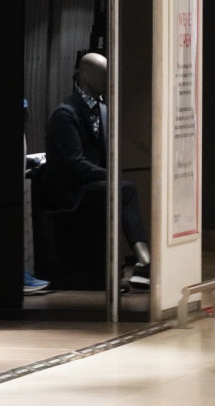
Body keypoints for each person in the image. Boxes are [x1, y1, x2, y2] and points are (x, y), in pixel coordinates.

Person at [40, 53, 151, 289]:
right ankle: (144, 259)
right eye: (103, 74)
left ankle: (135, 264)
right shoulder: (65, 114)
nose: (108, 79)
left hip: (90, 183)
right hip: (71, 189)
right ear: (86, 76)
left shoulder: (102, 109)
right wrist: (108, 175)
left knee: (120, 191)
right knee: (124, 190)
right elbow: (74, 163)